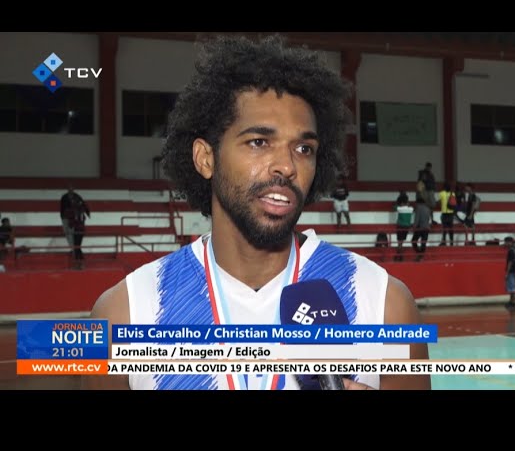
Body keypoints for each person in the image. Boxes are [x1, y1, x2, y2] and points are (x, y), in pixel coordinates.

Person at [83, 35, 430, 391]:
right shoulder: (124, 314)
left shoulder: (386, 304)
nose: (287, 166)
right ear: (206, 158)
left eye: (304, 148)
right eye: (259, 142)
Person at [60, 185, 90, 266]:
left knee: (76, 245)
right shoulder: (67, 200)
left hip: (77, 228)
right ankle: (79, 260)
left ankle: (78, 261)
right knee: (76, 245)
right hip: (78, 228)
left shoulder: (77, 201)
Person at [503, 236, 515, 308]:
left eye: (506, 242)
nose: (505, 244)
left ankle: (513, 302)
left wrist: (507, 273)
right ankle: (511, 301)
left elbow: (510, 263)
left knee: (512, 287)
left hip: (511, 271)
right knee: (512, 287)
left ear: (509, 242)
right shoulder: (514, 250)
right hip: (514, 271)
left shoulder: (510, 251)